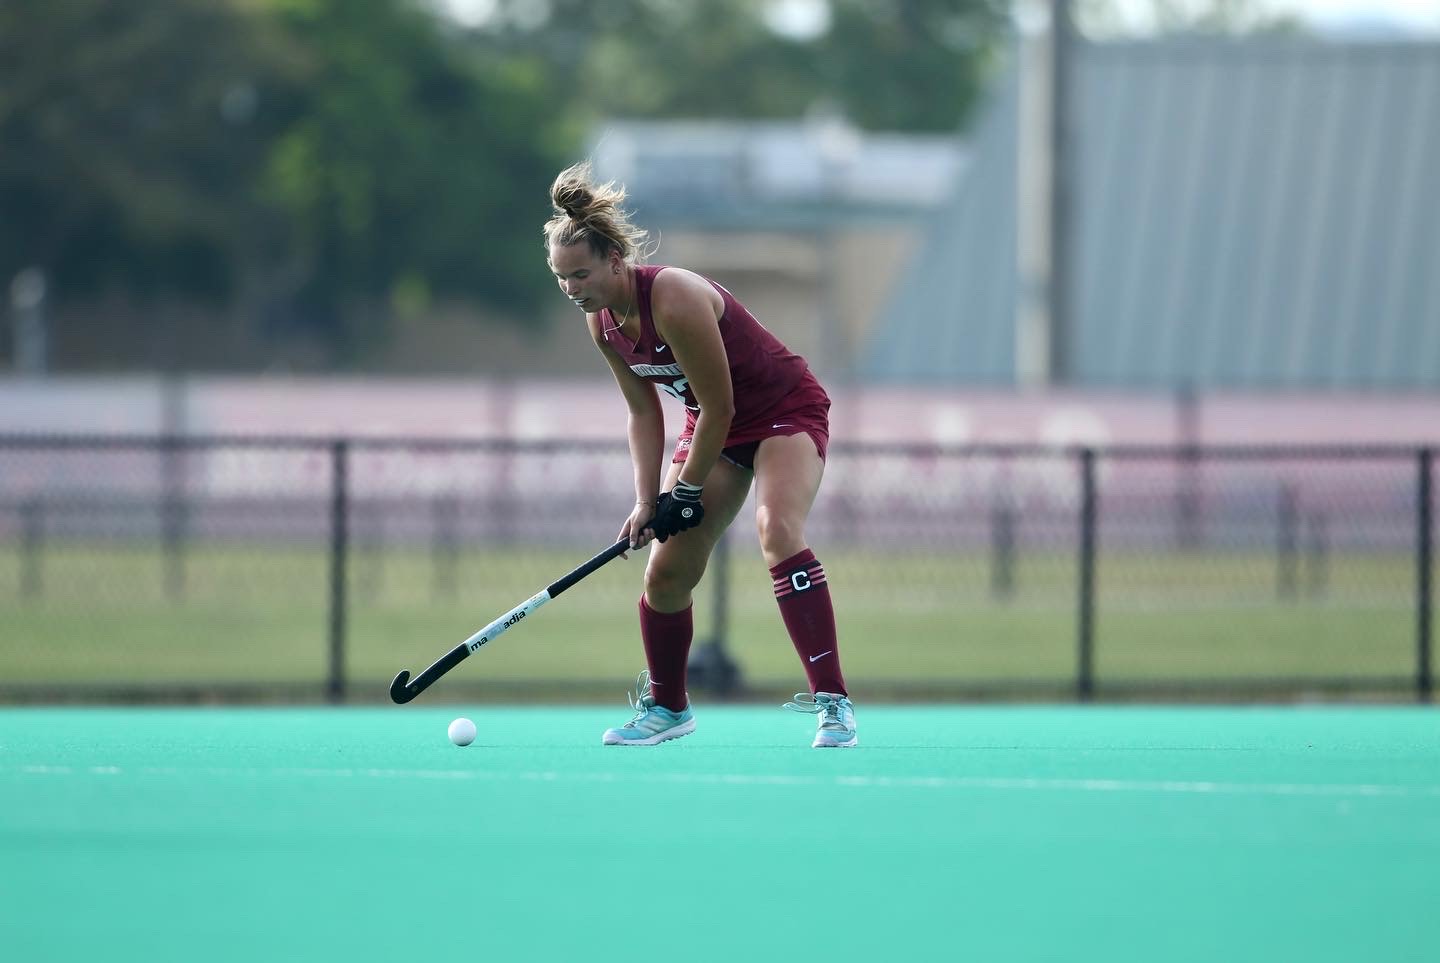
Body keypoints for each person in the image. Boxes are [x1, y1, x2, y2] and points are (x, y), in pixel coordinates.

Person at [543, 161, 857, 749]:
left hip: (779, 409)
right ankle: (668, 708)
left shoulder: (674, 298)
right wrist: (646, 502)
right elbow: (643, 414)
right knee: (665, 572)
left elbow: (721, 406)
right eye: (561, 278)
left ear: (616, 260)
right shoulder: (602, 325)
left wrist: (682, 492)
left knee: (777, 530)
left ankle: (833, 703)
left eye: (581, 274)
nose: (572, 289)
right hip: (713, 423)